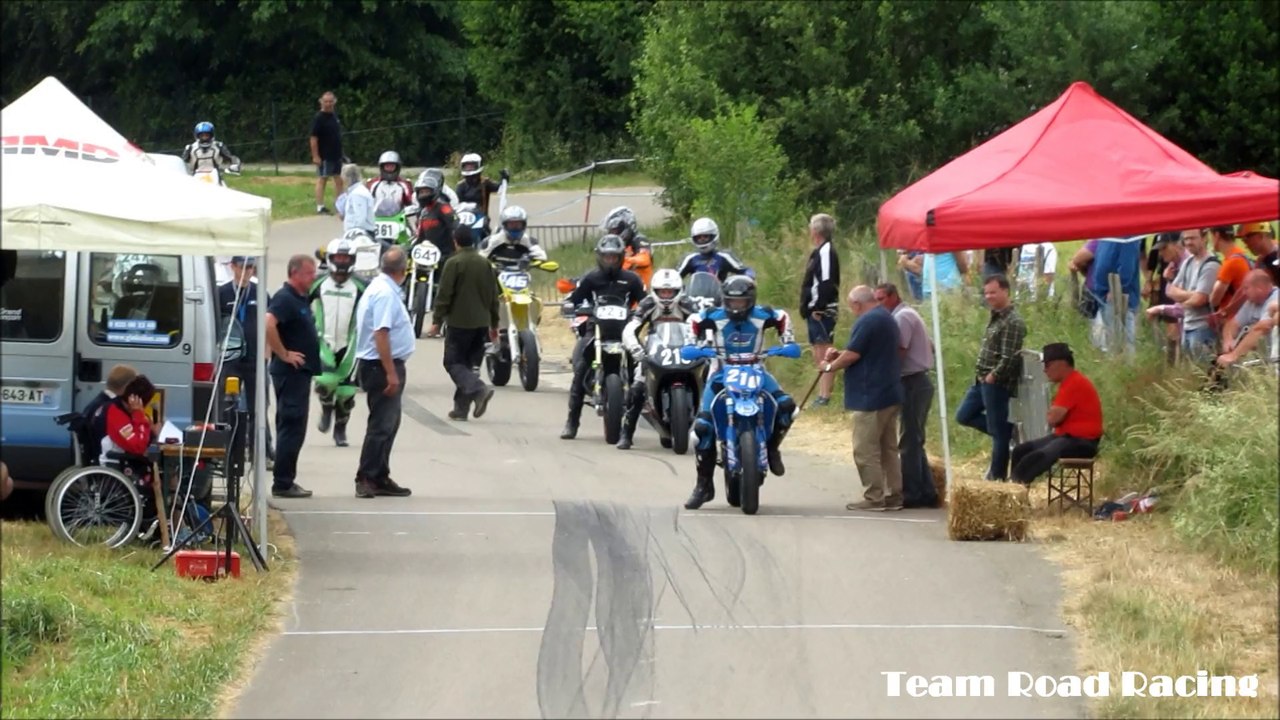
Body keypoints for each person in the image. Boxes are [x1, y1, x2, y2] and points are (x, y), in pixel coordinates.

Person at [683, 275, 797, 510]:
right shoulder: (713, 316)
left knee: (788, 407)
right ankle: (703, 485)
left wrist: (788, 342)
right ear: (725, 300)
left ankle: (773, 447)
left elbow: (783, 316)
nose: (736, 307)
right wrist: (692, 345)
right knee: (702, 429)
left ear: (751, 301)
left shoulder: (762, 315)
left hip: (756, 369)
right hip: (721, 373)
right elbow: (693, 320)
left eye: (741, 303)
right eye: (732, 302)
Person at [820, 286, 903, 511]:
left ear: (857, 304)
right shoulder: (886, 317)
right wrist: (840, 355)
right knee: (887, 447)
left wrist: (830, 365)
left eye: (852, 306)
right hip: (889, 390)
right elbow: (864, 351)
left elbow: (854, 354)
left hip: (871, 394)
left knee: (865, 448)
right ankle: (893, 494)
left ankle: (874, 496)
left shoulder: (867, 321)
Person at [559, 235, 648, 440]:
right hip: (596, 329)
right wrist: (572, 306)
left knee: (644, 363)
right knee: (580, 370)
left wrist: (642, 311)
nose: (610, 260)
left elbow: (645, 302)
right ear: (600, 257)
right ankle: (572, 422)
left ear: (620, 257)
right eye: (606, 257)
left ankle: (651, 410)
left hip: (624, 330)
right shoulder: (591, 278)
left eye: (613, 257)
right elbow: (575, 299)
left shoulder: (632, 279)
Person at [353, 246, 416, 499]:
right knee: (381, 424)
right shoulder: (384, 294)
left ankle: (380, 474)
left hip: (384, 363)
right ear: (403, 270)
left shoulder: (384, 288)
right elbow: (381, 333)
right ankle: (366, 476)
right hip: (380, 365)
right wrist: (391, 373)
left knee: (390, 422)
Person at [617, 268, 699, 450]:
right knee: (637, 387)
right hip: (655, 352)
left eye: (670, 292)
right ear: (655, 291)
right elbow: (630, 328)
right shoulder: (647, 304)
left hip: (684, 351)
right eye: (662, 292)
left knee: (711, 380)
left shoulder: (688, 304)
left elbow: (700, 323)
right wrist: (636, 350)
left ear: (679, 292)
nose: (666, 296)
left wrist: (703, 343)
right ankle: (626, 433)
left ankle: (713, 433)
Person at [955, 274, 1026, 481]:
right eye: (986, 292)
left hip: (996, 383)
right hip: (981, 379)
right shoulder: (996, 316)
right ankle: (1006, 432)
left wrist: (994, 375)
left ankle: (997, 477)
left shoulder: (1013, 321)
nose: (989, 296)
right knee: (963, 415)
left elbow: (1010, 356)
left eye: (993, 292)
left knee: (998, 433)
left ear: (1005, 291)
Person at [875, 283, 936, 508]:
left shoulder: (901, 317)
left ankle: (912, 491)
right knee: (914, 439)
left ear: (893, 296)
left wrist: (884, 372)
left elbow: (900, 350)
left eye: (881, 299)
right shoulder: (907, 314)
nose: (879, 304)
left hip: (913, 381)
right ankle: (926, 490)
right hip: (916, 380)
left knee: (909, 440)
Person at [264, 254, 319, 499]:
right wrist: (284, 353)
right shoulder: (285, 298)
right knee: (291, 426)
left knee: (295, 427)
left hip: (300, 375)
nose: (313, 277)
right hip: (290, 373)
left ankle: (287, 478)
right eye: (309, 273)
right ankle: (283, 482)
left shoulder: (300, 298)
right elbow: (268, 323)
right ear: (295, 273)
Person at [431, 225, 499, 421]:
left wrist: (436, 321)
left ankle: (479, 390)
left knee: (452, 362)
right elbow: (494, 296)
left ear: (455, 241)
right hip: (481, 324)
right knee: (467, 365)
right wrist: (494, 324)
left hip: (460, 322)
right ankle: (461, 409)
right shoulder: (485, 264)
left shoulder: (454, 263)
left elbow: (444, 295)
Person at [1010, 343, 1102, 484]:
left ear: (1061, 364)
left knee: (1036, 457)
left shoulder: (1074, 383)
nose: (1045, 370)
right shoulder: (1068, 383)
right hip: (1067, 437)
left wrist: (1053, 415)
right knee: (1020, 451)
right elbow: (1054, 417)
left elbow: (1053, 419)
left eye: (1047, 365)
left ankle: (1016, 489)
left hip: (1082, 442)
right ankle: (1015, 491)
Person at [217, 256, 275, 466]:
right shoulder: (222, 293)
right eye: (242, 267)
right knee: (227, 406)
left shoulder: (260, 293)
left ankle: (263, 452)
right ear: (233, 267)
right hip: (231, 359)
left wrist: (267, 352)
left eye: (250, 267)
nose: (246, 271)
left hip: (254, 359)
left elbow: (269, 324)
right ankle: (227, 451)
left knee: (257, 407)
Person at [310, 239, 367, 447]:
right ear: (330, 259)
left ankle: (340, 429)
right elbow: (301, 300)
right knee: (325, 382)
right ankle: (326, 408)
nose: (342, 263)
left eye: (346, 258)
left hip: (350, 343)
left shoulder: (362, 286)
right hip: (324, 340)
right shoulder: (319, 282)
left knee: (346, 394)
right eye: (338, 258)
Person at [800, 213, 841, 407]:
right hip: (814, 309)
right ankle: (822, 394)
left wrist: (819, 307)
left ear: (816, 231)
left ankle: (825, 396)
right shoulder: (820, 251)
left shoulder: (825, 252)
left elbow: (826, 281)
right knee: (818, 351)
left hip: (822, 310)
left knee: (824, 351)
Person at [1166, 228, 1220, 364]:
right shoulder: (1188, 262)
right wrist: (1193, 295)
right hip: (1187, 325)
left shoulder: (1211, 265)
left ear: (1204, 238)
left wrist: (1183, 300)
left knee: (1205, 373)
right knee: (1192, 373)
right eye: (1186, 239)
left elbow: (1199, 300)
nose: (1189, 242)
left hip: (1203, 327)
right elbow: (1170, 290)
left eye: (1193, 238)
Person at [412, 170, 459, 318]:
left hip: (445, 253)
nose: (423, 195)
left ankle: (446, 315)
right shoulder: (423, 212)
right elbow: (420, 235)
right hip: (427, 254)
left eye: (426, 191)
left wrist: (457, 251)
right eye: (421, 192)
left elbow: (454, 228)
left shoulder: (444, 208)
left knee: (448, 284)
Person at [1087, 236, 1143, 354]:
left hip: (1117, 297)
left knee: (1121, 341)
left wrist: (1118, 288)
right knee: (1107, 342)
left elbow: (1127, 263)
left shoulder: (1127, 235)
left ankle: (1125, 369)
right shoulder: (1106, 234)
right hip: (1102, 295)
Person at [1217, 269, 1279, 364]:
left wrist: (1233, 356)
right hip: (1266, 358)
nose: (1244, 293)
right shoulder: (1251, 302)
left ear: (1259, 288)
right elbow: (1233, 323)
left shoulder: (1275, 298)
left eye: (1246, 288)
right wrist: (1228, 339)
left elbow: (1262, 328)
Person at [675, 217, 753, 281]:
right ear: (694, 238)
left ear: (714, 236)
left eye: (705, 236)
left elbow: (745, 270)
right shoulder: (689, 258)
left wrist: (749, 276)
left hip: (720, 298)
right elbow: (675, 277)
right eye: (699, 237)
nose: (702, 239)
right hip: (694, 298)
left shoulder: (724, 256)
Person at [454, 152, 508, 235]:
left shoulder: (485, 182)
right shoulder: (460, 185)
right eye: (467, 166)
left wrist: (504, 179)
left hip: (481, 217)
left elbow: (500, 189)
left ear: (478, 166)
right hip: (464, 217)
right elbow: (456, 203)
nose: (469, 168)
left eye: (471, 166)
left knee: (485, 233)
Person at [602, 206, 654, 289]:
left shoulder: (639, 239)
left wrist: (625, 260)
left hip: (641, 290)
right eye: (611, 231)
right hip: (622, 288)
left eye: (615, 231)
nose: (612, 235)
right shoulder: (619, 245)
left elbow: (644, 259)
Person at [310, 91, 344, 215]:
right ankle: (320, 207)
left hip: (336, 155)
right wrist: (315, 155)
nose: (328, 104)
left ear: (334, 102)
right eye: (326, 101)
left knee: (339, 180)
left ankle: (340, 205)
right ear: (321, 102)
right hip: (324, 155)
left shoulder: (334, 116)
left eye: (330, 101)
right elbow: (313, 138)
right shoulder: (319, 118)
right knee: (322, 179)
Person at [479, 205, 547, 268]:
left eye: (518, 224)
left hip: (521, 275)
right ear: (504, 225)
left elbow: (542, 256)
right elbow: (480, 259)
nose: (515, 227)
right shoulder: (492, 240)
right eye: (511, 224)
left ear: (524, 225)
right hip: (497, 275)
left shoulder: (529, 240)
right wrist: (491, 265)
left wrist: (529, 257)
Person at [1207, 225, 1252, 316]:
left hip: (1232, 318)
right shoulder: (1241, 255)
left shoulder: (1231, 263)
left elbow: (1214, 300)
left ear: (1216, 235)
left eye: (1210, 236)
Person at [366, 150, 414, 218]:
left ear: (397, 167)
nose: (389, 168)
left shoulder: (405, 184)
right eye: (387, 166)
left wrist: (409, 211)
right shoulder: (372, 183)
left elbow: (411, 202)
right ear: (382, 167)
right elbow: (365, 202)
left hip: (399, 219)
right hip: (375, 220)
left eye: (392, 166)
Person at [338, 164, 376, 238]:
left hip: (360, 234)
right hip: (358, 233)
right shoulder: (356, 192)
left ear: (347, 178)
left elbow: (360, 218)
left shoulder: (358, 194)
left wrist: (354, 236)